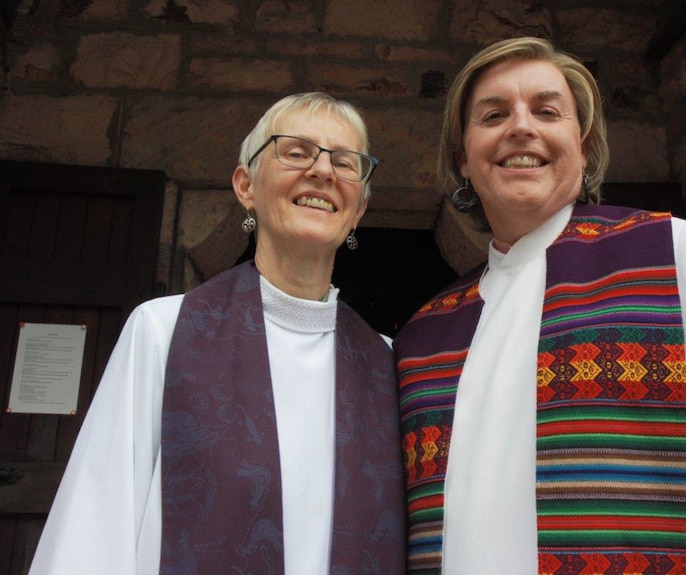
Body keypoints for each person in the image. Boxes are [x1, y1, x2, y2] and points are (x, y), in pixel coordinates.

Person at [393, 37, 686, 575]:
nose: (520, 127)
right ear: (463, 159)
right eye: (493, 115)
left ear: (584, 146)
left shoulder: (667, 256)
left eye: (546, 111)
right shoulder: (425, 335)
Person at [29, 92, 406, 575]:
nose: (323, 171)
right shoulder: (164, 332)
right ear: (245, 185)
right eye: (296, 151)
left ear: (359, 209)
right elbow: (96, 523)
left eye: (345, 161)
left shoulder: (386, 363)